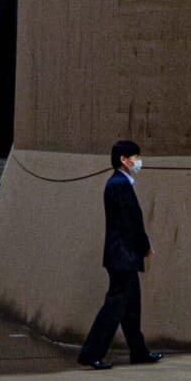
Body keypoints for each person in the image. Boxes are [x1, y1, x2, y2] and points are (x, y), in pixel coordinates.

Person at [76, 139, 162, 367]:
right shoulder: (119, 185)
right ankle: (91, 354)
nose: (138, 161)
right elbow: (131, 221)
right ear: (124, 160)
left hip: (121, 255)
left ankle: (139, 351)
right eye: (135, 157)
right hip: (122, 255)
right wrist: (144, 246)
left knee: (131, 307)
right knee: (114, 307)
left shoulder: (119, 183)